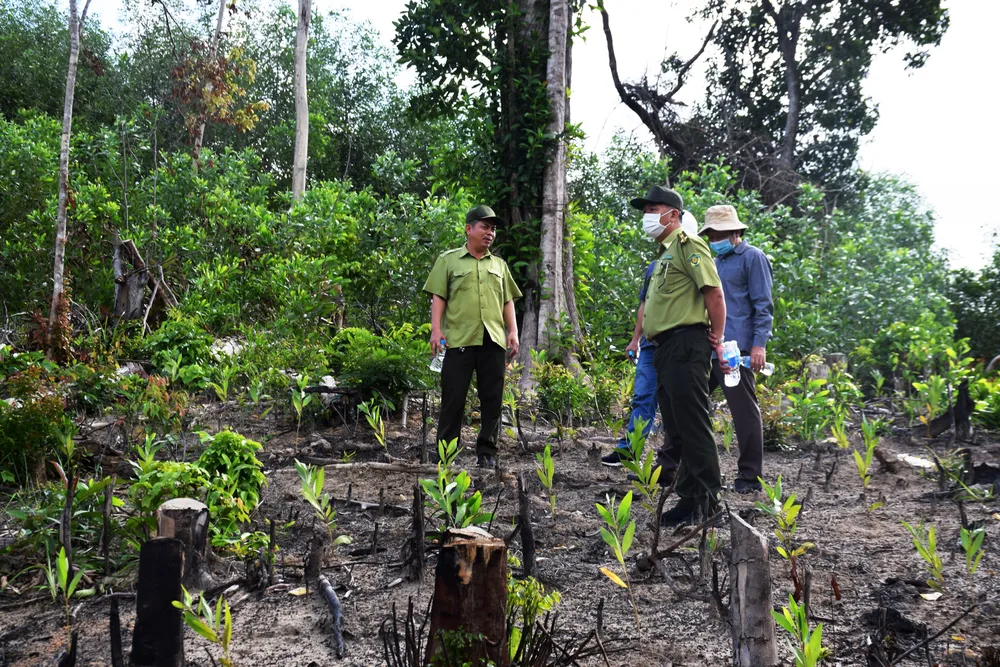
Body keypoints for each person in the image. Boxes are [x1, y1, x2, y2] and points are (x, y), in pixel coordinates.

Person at [632, 185, 729, 526]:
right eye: (644, 210)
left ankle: (709, 503)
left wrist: (716, 336)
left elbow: (713, 293)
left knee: (693, 425)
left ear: (673, 215)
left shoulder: (690, 246)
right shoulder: (661, 257)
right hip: (664, 349)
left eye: (653, 208)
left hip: (687, 344)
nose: (647, 216)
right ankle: (690, 500)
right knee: (677, 429)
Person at [423, 205, 522, 468]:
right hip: (458, 341)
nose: (490, 233)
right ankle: (446, 451)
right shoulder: (449, 260)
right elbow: (438, 296)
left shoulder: (499, 265)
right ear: (469, 229)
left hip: (493, 341)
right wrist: (436, 329)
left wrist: (512, 331)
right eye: (485, 227)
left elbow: (507, 300)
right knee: (453, 398)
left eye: (493, 229)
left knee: (492, 398)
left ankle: (487, 451)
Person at [602, 211, 700, 467]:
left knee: (677, 404)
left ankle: (673, 460)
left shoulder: (693, 258)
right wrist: (636, 339)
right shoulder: (654, 266)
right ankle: (630, 450)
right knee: (643, 397)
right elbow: (645, 305)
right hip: (650, 346)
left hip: (678, 344)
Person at [697, 204, 774, 493]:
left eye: (719, 233)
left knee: (743, 412)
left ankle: (750, 477)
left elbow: (763, 305)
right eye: (711, 233)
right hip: (710, 347)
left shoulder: (753, 258)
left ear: (735, 232)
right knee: (691, 406)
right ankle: (688, 469)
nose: (714, 238)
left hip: (736, 350)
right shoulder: (715, 263)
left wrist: (759, 346)